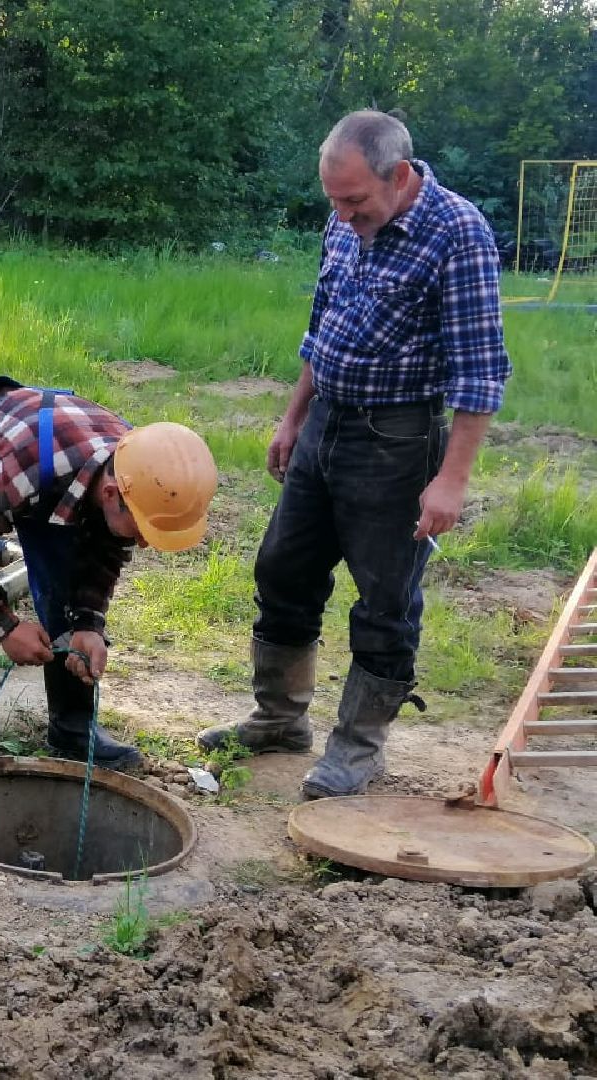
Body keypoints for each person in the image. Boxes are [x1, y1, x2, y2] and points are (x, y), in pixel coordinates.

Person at [198, 110, 512, 799]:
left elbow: (480, 372)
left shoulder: (458, 234)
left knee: (385, 599)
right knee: (283, 567)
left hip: (399, 441)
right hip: (325, 425)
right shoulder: (343, 223)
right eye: (333, 201)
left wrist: (451, 480)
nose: (342, 217)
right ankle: (280, 718)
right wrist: (292, 419)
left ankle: (361, 746)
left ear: (399, 177)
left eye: (355, 201)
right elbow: (322, 328)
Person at [0, 376, 218, 780]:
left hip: (52, 465)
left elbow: (105, 551)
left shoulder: (139, 469)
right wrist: (6, 627)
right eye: (143, 529)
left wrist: (89, 623)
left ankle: (72, 728)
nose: (144, 543)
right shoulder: (31, 474)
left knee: (64, 589)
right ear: (111, 495)